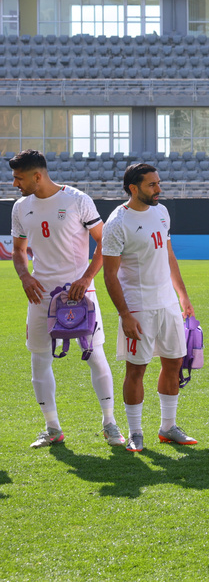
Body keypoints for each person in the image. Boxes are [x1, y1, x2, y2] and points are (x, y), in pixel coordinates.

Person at [9, 150, 124, 448]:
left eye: (18, 178)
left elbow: (105, 243)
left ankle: (110, 423)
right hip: (40, 296)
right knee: (39, 358)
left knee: (95, 355)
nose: (14, 184)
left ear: (37, 176)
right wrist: (24, 276)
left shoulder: (77, 200)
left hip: (80, 295)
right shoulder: (20, 208)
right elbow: (19, 252)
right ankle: (52, 428)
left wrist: (86, 278)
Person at [102, 163, 196, 452]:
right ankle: (135, 432)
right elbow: (109, 275)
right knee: (136, 370)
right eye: (152, 185)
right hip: (139, 308)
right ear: (134, 188)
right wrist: (125, 315)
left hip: (167, 304)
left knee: (174, 363)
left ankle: (168, 427)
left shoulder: (161, 212)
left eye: (158, 183)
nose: (159, 189)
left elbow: (168, 255)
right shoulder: (117, 223)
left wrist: (182, 295)